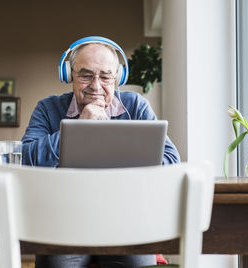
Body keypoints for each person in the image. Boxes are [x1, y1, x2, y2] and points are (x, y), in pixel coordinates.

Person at [21, 36, 180, 268]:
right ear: (69, 75)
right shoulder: (47, 108)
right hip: (63, 222)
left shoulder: (136, 106)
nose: (96, 86)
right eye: (86, 75)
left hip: (127, 223)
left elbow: (170, 161)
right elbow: (24, 160)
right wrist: (77, 128)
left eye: (106, 76)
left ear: (118, 79)